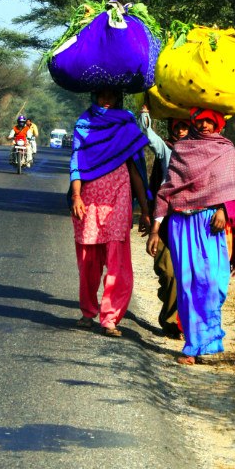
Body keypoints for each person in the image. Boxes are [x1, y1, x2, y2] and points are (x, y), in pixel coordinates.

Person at [146, 107, 235, 364]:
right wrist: (156, 230)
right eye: (199, 121)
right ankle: (193, 346)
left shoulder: (225, 150)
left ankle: (209, 339)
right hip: (181, 223)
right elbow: (168, 189)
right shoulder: (182, 149)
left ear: (218, 124)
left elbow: (233, 187)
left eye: (208, 121)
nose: (203, 125)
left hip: (210, 223)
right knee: (188, 285)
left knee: (213, 283)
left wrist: (224, 210)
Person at [70, 87, 151, 337]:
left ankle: (110, 318)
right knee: (88, 260)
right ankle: (87, 311)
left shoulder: (126, 123)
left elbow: (136, 169)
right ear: (94, 96)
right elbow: (77, 162)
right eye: (102, 95)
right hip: (88, 200)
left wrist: (146, 210)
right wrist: (76, 196)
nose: (106, 100)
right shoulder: (84, 123)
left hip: (119, 198)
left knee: (117, 260)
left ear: (118, 97)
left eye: (111, 95)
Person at [138, 106, 190, 338]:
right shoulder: (166, 149)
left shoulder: (204, 151)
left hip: (192, 221)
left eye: (185, 125)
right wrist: (145, 112)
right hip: (165, 220)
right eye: (177, 125)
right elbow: (149, 135)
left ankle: (180, 323)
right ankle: (169, 319)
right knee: (168, 272)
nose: (180, 130)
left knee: (189, 275)